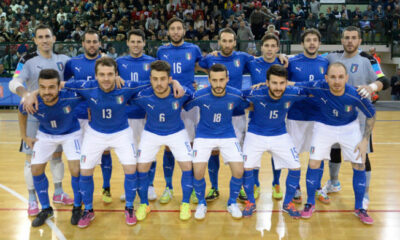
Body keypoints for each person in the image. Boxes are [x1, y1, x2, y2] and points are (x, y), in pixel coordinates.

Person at [63, 57, 184, 228]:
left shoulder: (126, 86)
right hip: (95, 133)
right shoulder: (86, 86)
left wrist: (176, 82)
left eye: (110, 74)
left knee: (131, 169)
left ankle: (129, 207)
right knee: (85, 170)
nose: (106, 78)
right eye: (102, 75)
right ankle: (88, 209)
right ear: (95, 76)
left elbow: (155, 82)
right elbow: (59, 85)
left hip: (121, 132)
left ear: (116, 74)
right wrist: (33, 94)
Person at [296, 62, 376, 225]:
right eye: (333, 77)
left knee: (359, 163)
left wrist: (364, 140)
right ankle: (310, 203)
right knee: (313, 162)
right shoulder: (319, 86)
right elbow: (294, 84)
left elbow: (371, 115)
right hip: (324, 126)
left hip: (349, 128)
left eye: (341, 77)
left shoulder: (355, 94)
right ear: (326, 78)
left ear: (347, 78)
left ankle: (359, 208)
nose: (337, 81)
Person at [321, 26, 390, 210]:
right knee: (334, 152)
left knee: (361, 156)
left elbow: (384, 80)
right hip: (335, 117)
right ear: (342, 40)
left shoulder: (368, 59)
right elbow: (311, 63)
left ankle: (365, 194)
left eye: (353, 38)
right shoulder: (332, 57)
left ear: (359, 41)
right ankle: (334, 182)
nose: (350, 41)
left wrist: (372, 87)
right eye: (346, 38)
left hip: (359, 120)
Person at [8, 24, 72, 217]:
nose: (45, 40)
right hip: (35, 116)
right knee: (31, 160)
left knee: (57, 157)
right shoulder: (26, 60)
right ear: (35, 40)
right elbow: (14, 81)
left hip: (58, 117)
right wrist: (26, 94)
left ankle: (59, 192)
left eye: (48, 36)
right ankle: (32, 198)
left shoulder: (64, 60)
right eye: (40, 37)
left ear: (53, 39)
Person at [18, 69, 82, 226]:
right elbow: (21, 113)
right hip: (46, 134)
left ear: (59, 86)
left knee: (76, 169)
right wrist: (24, 136)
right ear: (38, 87)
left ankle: (77, 207)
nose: (47, 91)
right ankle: (46, 209)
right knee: (35, 169)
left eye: (51, 87)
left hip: (71, 133)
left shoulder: (71, 96)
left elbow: (91, 91)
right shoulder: (33, 101)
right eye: (43, 87)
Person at [241, 64, 306, 218]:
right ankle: (250, 202)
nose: (278, 87)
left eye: (282, 83)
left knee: (296, 167)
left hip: (280, 134)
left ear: (286, 82)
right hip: (255, 134)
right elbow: (236, 95)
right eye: (274, 83)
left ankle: (288, 203)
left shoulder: (291, 92)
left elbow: (312, 90)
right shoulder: (255, 93)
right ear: (267, 82)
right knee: (247, 168)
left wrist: (294, 84)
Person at [132, 60, 194, 221]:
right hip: (151, 133)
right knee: (141, 168)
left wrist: (177, 83)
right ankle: (144, 204)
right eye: (155, 79)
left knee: (188, 166)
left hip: (177, 132)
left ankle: (185, 203)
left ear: (169, 79)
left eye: (163, 79)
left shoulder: (181, 92)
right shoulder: (142, 94)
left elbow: (198, 97)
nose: (159, 83)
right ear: (150, 79)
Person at [187, 64, 249, 220]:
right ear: (209, 80)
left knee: (239, 170)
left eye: (222, 80)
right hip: (204, 135)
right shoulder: (200, 95)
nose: (218, 84)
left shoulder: (236, 95)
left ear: (227, 79)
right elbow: (184, 104)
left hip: (227, 134)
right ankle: (202, 203)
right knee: (198, 171)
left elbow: (249, 104)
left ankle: (232, 203)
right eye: (214, 80)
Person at [198, 27, 254, 202]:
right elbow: (193, 64)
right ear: (219, 42)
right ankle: (214, 187)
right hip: (213, 112)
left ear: (235, 42)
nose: (227, 44)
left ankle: (241, 188)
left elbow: (263, 62)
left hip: (236, 114)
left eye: (231, 41)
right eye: (224, 41)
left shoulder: (243, 57)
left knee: (238, 154)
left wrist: (282, 57)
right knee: (213, 152)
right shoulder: (211, 58)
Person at [64, 29, 115, 205]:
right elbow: (65, 86)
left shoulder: (107, 62)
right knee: (82, 159)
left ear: (99, 43)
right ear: (83, 44)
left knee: (106, 152)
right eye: (88, 41)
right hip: (77, 117)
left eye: (95, 41)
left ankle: (106, 187)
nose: (92, 45)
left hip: (100, 116)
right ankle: (82, 196)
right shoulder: (73, 62)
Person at [156, 17, 204, 204]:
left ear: (184, 31)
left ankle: (191, 187)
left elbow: (206, 66)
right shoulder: (162, 50)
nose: (176, 31)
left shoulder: (193, 49)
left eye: (179, 28)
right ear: (168, 32)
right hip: (168, 104)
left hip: (189, 103)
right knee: (168, 146)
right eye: (172, 28)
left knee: (190, 146)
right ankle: (168, 187)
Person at [286, 28, 330, 204]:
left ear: (319, 43)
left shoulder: (325, 62)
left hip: (319, 116)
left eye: (315, 40)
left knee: (318, 154)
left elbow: (324, 85)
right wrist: (311, 87)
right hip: (296, 115)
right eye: (308, 40)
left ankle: (317, 186)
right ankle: (295, 187)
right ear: (302, 43)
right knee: (293, 154)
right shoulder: (291, 62)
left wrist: (299, 85)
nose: (312, 43)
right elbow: (286, 85)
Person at [117, 29, 157, 202]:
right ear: (127, 43)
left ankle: (150, 186)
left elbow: (157, 86)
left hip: (147, 115)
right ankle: (130, 186)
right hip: (126, 116)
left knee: (150, 153)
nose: (135, 45)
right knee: (129, 154)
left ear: (144, 43)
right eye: (132, 41)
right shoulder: (119, 62)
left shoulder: (152, 62)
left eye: (139, 41)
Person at [246, 33, 283, 200]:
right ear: (261, 47)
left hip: (278, 114)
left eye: (273, 46)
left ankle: (276, 183)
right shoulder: (253, 63)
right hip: (257, 113)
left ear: (277, 48)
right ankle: (255, 183)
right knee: (254, 153)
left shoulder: (283, 63)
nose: (269, 49)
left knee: (277, 152)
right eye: (266, 45)